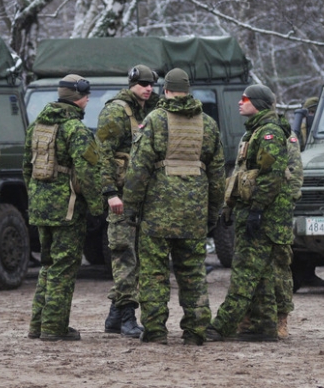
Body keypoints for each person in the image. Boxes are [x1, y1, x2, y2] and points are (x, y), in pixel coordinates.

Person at [123, 68, 225, 346]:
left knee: (154, 274)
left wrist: (130, 208)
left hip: (157, 214)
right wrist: (213, 211)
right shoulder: (208, 124)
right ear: (188, 90)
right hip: (194, 214)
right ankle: (196, 330)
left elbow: (138, 170)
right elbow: (217, 175)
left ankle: (155, 330)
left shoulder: (154, 120)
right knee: (193, 273)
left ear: (165, 90)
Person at [207, 84, 293, 342]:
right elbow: (243, 176)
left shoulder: (269, 134)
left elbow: (272, 176)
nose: (239, 102)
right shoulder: (254, 132)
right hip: (252, 211)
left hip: (264, 215)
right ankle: (263, 326)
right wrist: (230, 206)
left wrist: (256, 209)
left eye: (245, 99)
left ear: (258, 103)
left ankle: (221, 326)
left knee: (245, 271)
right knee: (262, 272)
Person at [25, 74, 104, 341]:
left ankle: (37, 325)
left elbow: (27, 166)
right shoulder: (75, 130)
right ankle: (54, 327)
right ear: (78, 98)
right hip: (67, 210)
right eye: (86, 95)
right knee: (63, 268)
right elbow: (88, 172)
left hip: (40, 208)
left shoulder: (37, 125)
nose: (88, 99)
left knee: (47, 266)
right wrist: (96, 207)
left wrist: (37, 197)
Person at [95, 64, 160, 338]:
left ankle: (114, 317)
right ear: (132, 83)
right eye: (143, 84)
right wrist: (110, 193)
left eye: (151, 84)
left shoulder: (149, 111)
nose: (148, 88)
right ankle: (125, 318)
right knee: (124, 256)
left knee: (134, 256)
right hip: (122, 197)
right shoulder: (115, 111)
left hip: (141, 197)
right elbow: (104, 155)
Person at [289, 96, 324, 289]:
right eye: (310, 113)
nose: (312, 116)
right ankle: (301, 277)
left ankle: (308, 275)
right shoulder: (301, 132)